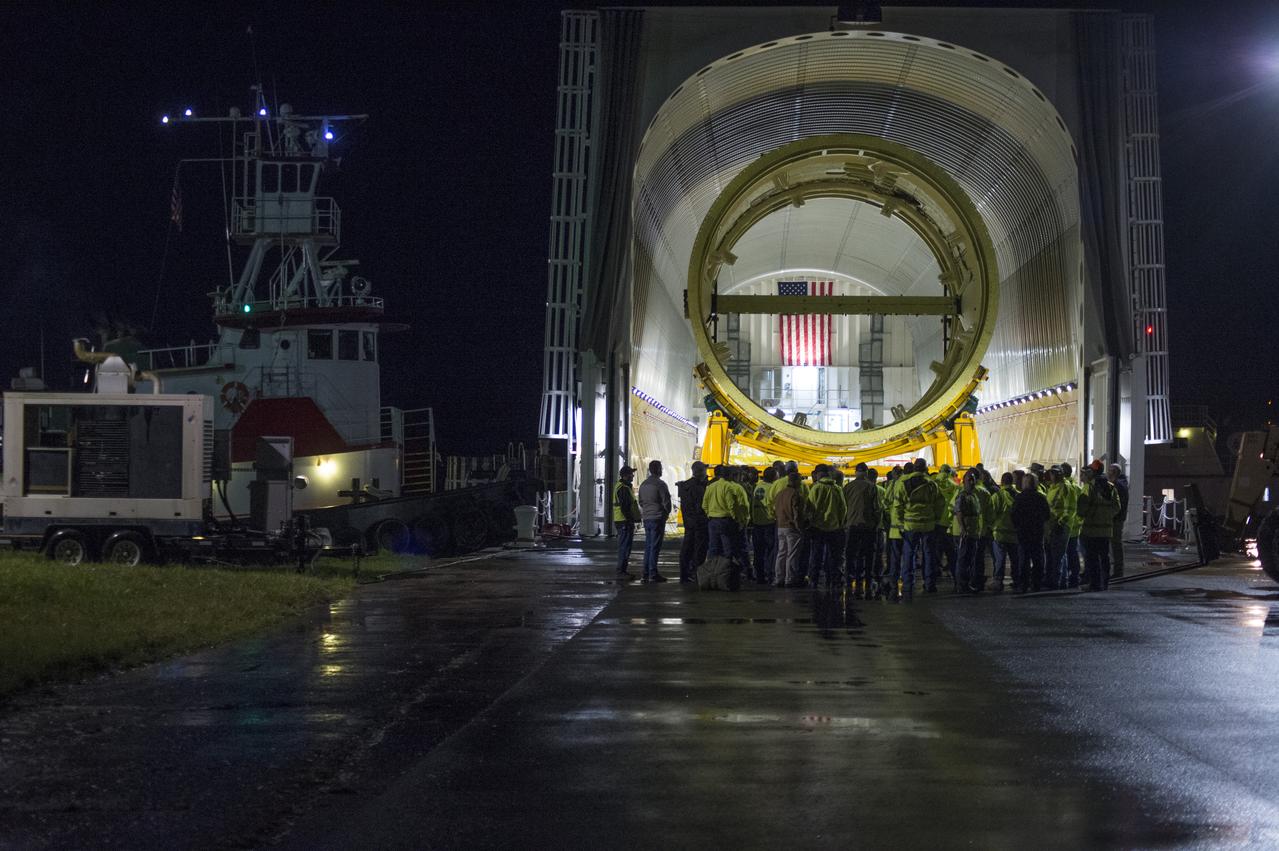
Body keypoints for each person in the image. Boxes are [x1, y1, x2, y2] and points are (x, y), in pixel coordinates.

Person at [894, 458, 941, 600]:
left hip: (910, 525)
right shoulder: (932, 484)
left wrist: (900, 523)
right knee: (929, 555)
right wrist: (935, 519)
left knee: (909, 555)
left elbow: (897, 506)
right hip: (928, 525)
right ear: (926, 469)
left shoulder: (904, 483)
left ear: (914, 468)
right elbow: (940, 504)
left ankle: (908, 584)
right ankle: (929, 584)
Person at [1078, 467, 1122, 591]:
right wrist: (1106, 516)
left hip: (1091, 529)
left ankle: (1094, 584)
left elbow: (1082, 509)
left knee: (1092, 558)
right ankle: (1105, 583)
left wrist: (1090, 515)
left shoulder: (1089, 487)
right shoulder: (1111, 487)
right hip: (1106, 529)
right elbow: (1117, 507)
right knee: (1104, 557)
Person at [806, 465, 848, 588]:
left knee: (816, 555)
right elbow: (843, 508)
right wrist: (840, 523)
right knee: (834, 556)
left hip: (818, 527)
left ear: (819, 474)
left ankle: (814, 580)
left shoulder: (816, 488)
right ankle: (833, 580)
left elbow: (810, 507)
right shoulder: (837, 488)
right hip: (835, 528)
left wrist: (811, 521)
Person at [843, 462, 880, 598]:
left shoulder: (848, 487)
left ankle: (848, 578)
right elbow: (876, 508)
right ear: (866, 472)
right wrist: (876, 523)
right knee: (868, 554)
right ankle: (867, 579)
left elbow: (843, 507)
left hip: (852, 525)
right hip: (868, 526)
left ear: (855, 472)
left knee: (850, 553)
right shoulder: (872, 487)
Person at [704, 464, 750, 574]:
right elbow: (732, 505)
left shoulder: (711, 486)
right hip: (726, 521)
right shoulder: (729, 487)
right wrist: (738, 519)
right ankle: (726, 573)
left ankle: (710, 572)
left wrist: (710, 515)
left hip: (712, 521)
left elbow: (704, 505)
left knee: (713, 549)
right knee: (728, 549)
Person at [1010, 473, 1051, 592]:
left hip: (1023, 533)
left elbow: (1014, 515)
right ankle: (1036, 584)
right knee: (1038, 559)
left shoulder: (1019, 498)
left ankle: (1023, 585)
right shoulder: (1041, 497)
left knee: (1024, 560)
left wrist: (1017, 527)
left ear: (1025, 483)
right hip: (1037, 532)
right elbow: (1047, 515)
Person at [637, 460, 671, 583]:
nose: (661, 470)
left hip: (646, 518)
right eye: (661, 468)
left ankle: (645, 573)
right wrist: (666, 513)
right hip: (657, 518)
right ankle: (653, 573)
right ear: (657, 469)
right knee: (655, 546)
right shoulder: (660, 484)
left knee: (648, 546)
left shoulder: (643, 484)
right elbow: (666, 502)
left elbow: (640, 501)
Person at [676, 462, 709, 584]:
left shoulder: (685, 485)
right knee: (699, 550)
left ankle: (684, 574)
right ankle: (696, 574)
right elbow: (701, 506)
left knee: (687, 548)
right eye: (705, 470)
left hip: (688, 522)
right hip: (699, 522)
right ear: (700, 471)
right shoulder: (699, 487)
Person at [773, 471, 807, 587]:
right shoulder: (795, 494)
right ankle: (790, 579)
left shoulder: (780, 494)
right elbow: (796, 513)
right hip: (792, 527)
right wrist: (799, 528)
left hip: (780, 526)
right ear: (796, 481)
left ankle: (779, 578)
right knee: (792, 554)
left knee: (781, 553)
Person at [953, 470, 984, 592]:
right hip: (966, 533)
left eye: (973, 480)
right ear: (964, 482)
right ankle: (961, 584)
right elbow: (959, 512)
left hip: (973, 532)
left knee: (970, 559)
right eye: (968, 480)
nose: (971, 482)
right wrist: (963, 529)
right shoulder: (962, 495)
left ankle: (966, 583)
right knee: (963, 559)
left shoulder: (974, 495)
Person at [612, 465, 642, 581]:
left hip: (622, 520)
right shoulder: (623, 488)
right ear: (625, 475)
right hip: (624, 521)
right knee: (625, 547)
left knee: (624, 546)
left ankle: (622, 570)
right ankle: (621, 571)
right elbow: (625, 507)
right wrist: (631, 520)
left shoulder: (624, 487)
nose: (633, 476)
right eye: (631, 474)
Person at [990, 472, 1019, 593]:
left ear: (1002, 482)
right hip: (1014, 534)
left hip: (1000, 534)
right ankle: (1017, 580)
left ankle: (998, 582)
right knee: (1015, 559)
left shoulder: (998, 496)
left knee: (1000, 560)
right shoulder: (1018, 495)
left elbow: (991, 513)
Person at [1043, 468, 1071, 590]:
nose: (1050, 477)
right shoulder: (1052, 488)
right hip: (1051, 526)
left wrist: (1061, 523)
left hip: (1059, 526)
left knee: (1057, 556)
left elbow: (1069, 509)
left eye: (1052, 474)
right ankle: (1059, 581)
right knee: (1057, 556)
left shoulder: (1064, 487)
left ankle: (1057, 582)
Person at [751, 468, 778, 584]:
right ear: (773, 477)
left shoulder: (757, 487)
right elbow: (773, 506)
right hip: (768, 523)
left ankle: (759, 576)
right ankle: (769, 574)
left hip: (757, 523)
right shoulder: (771, 489)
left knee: (758, 552)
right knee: (770, 552)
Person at [1061, 462, 1083, 588]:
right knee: (1073, 553)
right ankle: (1075, 577)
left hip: (1063, 526)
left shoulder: (1062, 487)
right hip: (1075, 528)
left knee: (1062, 554)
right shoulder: (1078, 488)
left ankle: (1064, 578)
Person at [1107, 463, 1130, 579]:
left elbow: (1116, 504)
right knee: (1116, 545)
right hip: (1119, 518)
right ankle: (1118, 570)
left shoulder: (1117, 485)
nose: (1108, 472)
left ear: (1114, 472)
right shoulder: (1122, 484)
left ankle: (1118, 571)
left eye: (1110, 470)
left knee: (1116, 545)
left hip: (1116, 519)